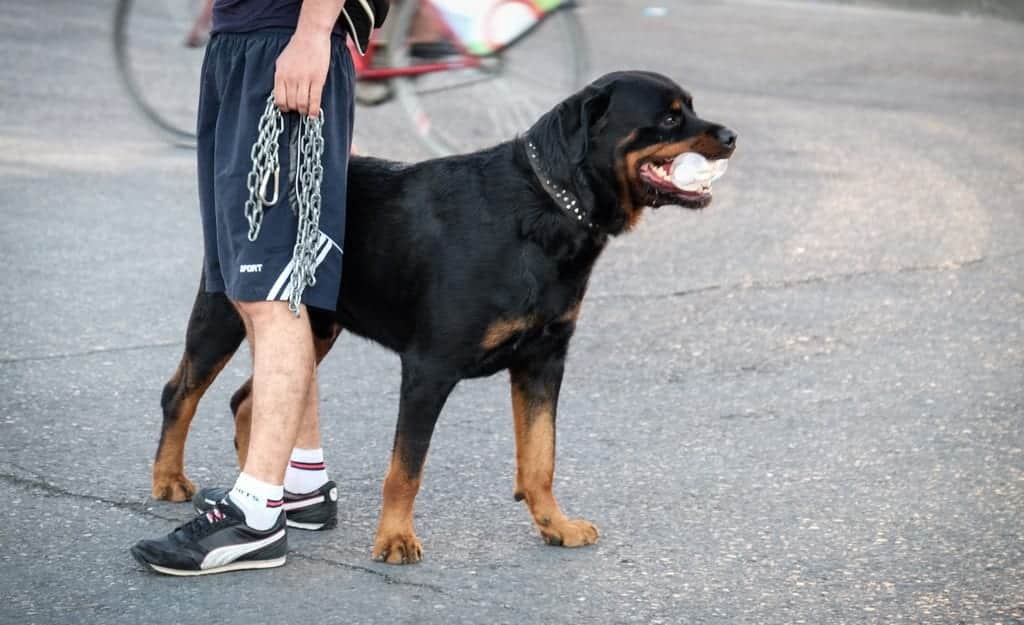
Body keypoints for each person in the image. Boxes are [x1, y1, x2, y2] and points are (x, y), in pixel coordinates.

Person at [131, 0, 389, 576]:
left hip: (282, 40)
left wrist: (313, 32)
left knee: (271, 290)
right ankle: (301, 480)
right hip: (243, 44)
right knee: (258, 282)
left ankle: (256, 516)